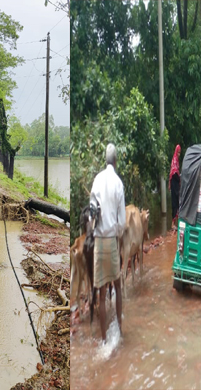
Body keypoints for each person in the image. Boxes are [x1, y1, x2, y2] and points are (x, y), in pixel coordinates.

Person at [90, 143, 126, 342]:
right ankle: (119, 331)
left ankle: (104, 340)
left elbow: (91, 211)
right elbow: (122, 222)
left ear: (105, 160)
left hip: (98, 242)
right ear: (116, 161)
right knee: (118, 286)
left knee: (102, 293)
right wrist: (118, 235)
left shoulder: (97, 180)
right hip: (111, 241)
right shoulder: (118, 183)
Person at [169, 144, 181, 229]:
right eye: (179, 152)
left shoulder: (176, 161)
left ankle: (177, 223)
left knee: (178, 203)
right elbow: (174, 174)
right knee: (174, 204)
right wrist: (179, 178)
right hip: (174, 187)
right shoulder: (174, 161)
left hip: (176, 186)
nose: (179, 154)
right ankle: (172, 224)